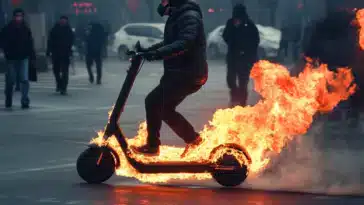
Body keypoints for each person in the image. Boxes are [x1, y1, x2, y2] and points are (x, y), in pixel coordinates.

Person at [131, 0, 208, 157]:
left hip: (187, 73)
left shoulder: (189, 16)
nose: (161, 4)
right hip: (179, 72)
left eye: (164, 1)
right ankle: (194, 141)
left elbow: (185, 43)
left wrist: (158, 54)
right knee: (164, 109)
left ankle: (153, 146)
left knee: (153, 102)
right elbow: (170, 42)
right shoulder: (178, 16)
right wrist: (147, 51)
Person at [222, 4, 260, 107]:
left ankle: (242, 102)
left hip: (245, 59)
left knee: (243, 82)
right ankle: (234, 97)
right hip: (233, 57)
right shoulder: (230, 23)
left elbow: (255, 40)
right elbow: (225, 36)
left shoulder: (249, 24)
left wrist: (247, 51)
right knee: (230, 80)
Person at [0, 8, 36, 109]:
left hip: (24, 57)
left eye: (20, 16)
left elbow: (30, 43)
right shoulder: (7, 29)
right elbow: (2, 41)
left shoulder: (26, 29)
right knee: (11, 80)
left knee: (24, 79)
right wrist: (6, 51)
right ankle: (8, 98)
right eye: (17, 16)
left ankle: (25, 100)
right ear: (14, 17)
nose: (18, 18)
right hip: (11, 58)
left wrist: (32, 56)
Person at [47, 16, 74, 95]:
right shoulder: (54, 29)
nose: (63, 21)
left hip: (65, 54)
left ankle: (64, 87)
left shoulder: (69, 30)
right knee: (56, 70)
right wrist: (48, 51)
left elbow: (72, 41)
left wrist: (70, 50)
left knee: (65, 71)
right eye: (62, 20)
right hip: (56, 53)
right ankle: (59, 83)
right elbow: (50, 41)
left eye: (64, 20)